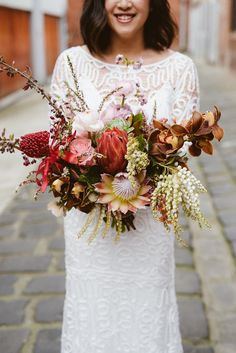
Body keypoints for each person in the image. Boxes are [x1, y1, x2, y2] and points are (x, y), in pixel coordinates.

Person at [50, 1, 200, 352]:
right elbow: (59, 147)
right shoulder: (71, 63)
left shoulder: (180, 69)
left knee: (146, 318)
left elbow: (179, 155)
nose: (125, 3)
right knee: (94, 316)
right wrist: (92, 164)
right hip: (90, 229)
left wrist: (139, 162)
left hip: (149, 227)